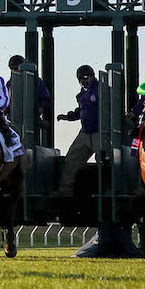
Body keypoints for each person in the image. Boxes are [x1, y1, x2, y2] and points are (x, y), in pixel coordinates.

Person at [54, 65, 100, 196]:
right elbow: (81, 111)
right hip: (85, 132)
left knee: (105, 161)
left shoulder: (101, 89)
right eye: (81, 79)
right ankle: (66, 190)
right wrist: (68, 117)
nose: (84, 81)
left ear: (93, 76)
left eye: (87, 77)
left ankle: (108, 189)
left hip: (100, 132)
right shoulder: (81, 95)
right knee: (72, 159)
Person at [7, 55, 53, 123]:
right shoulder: (10, 84)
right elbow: (5, 102)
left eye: (17, 67)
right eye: (13, 68)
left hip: (31, 122)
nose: (16, 70)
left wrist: (36, 112)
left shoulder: (35, 81)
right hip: (14, 122)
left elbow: (45, 101)